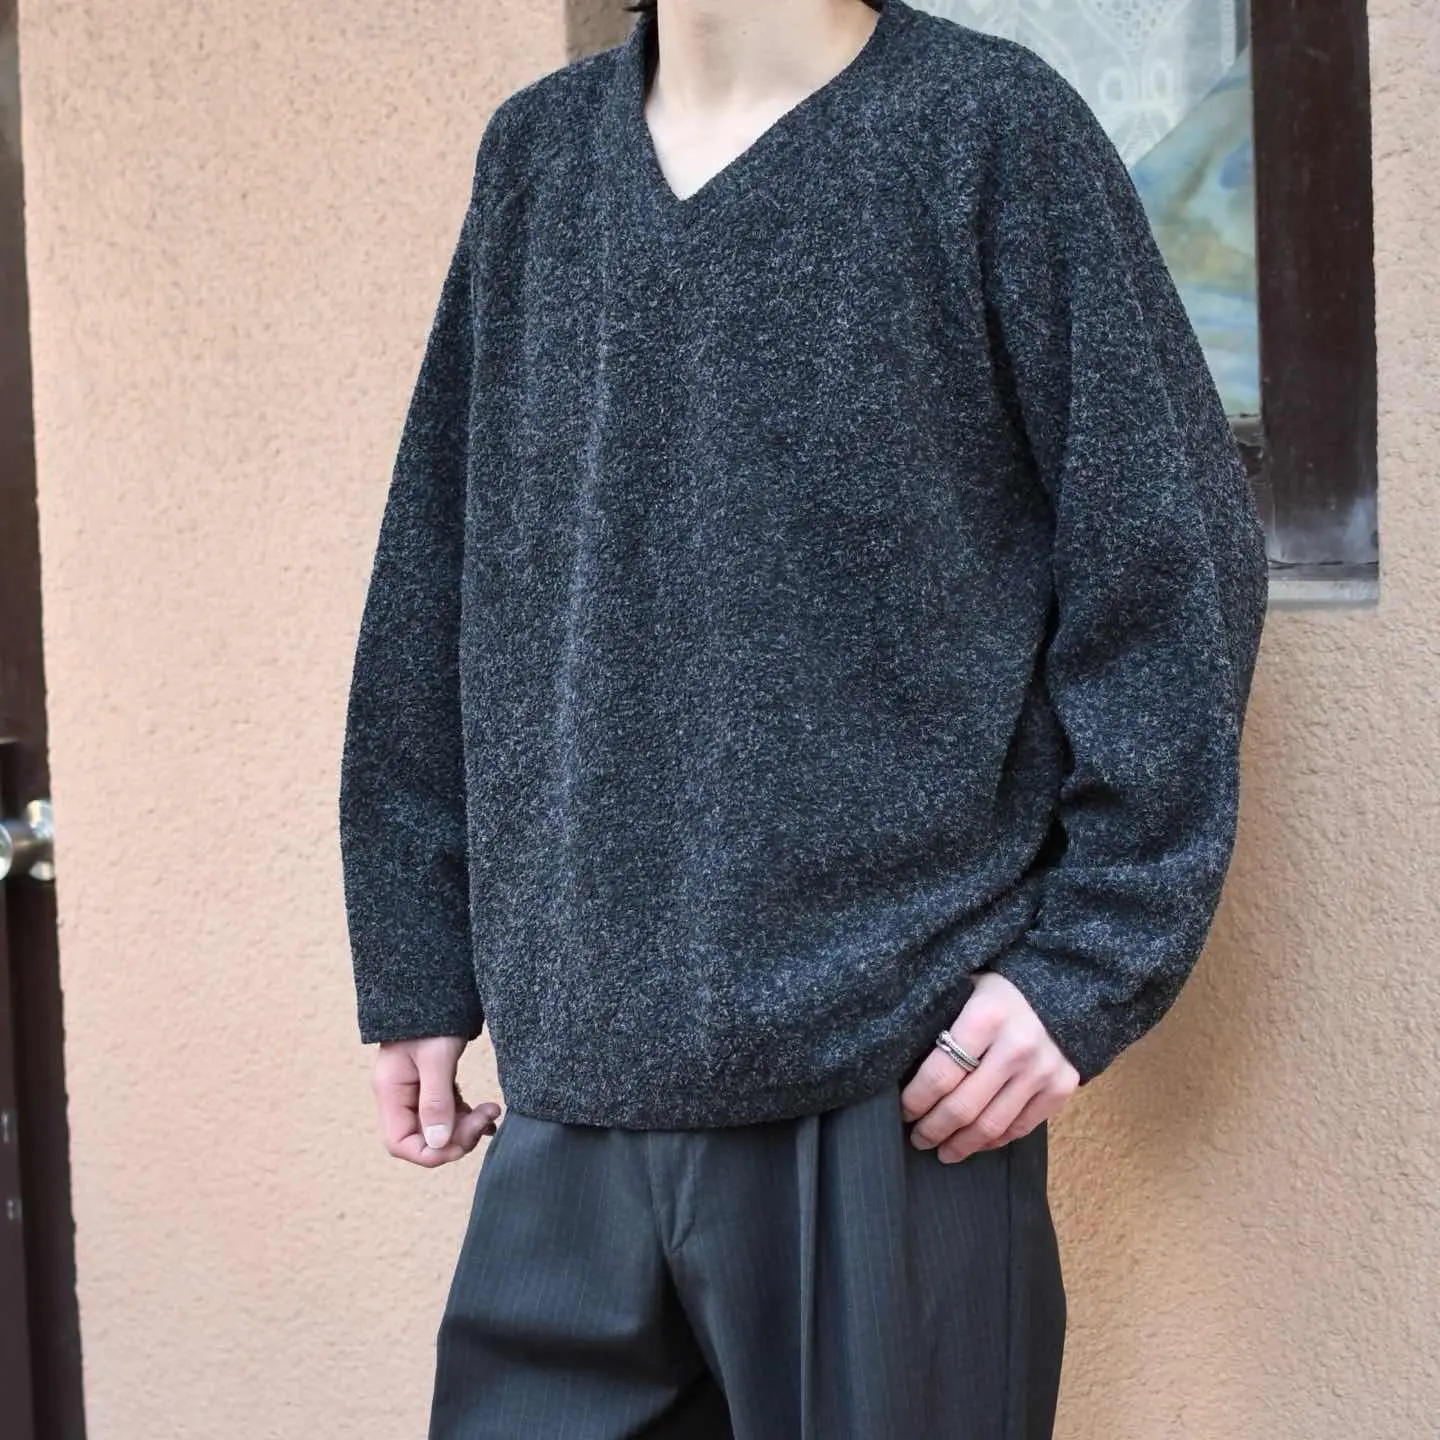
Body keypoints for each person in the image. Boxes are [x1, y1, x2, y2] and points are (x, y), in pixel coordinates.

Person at [337, 0, 1270, 1434]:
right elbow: (441, 569)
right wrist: (417, 953)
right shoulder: (540, 157)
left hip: (887, 1098)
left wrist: (1087, 965)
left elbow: (1169, 565)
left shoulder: (989, 134)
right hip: (570, 1092)